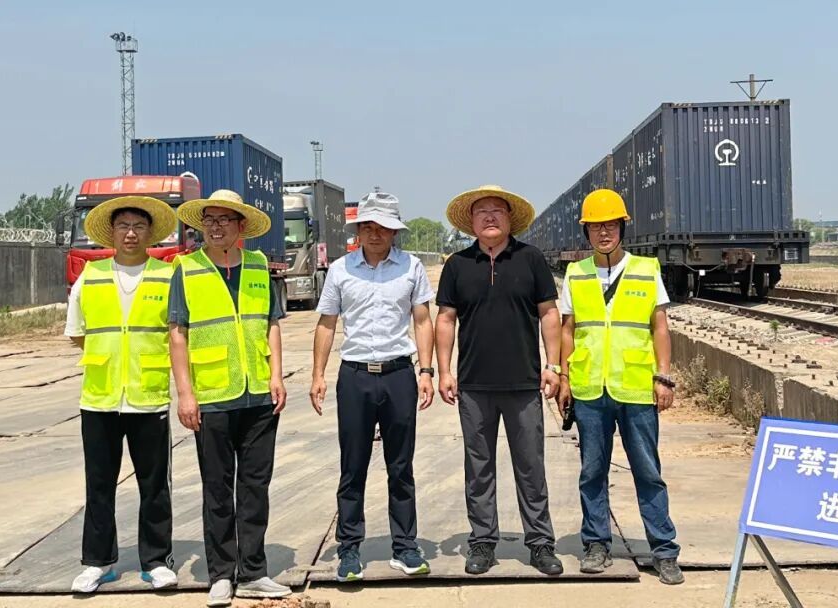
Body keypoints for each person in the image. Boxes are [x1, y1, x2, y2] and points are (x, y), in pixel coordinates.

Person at [167, 190, 291, 606]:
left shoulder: (257, 266)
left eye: (224, 220)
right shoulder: (187, 269)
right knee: (217, 489)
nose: (216, 227)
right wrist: (185, 394)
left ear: (241, 226)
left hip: (258, 396)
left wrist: (276, 375)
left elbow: (272, 323)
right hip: (213, 396)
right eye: (209, 220)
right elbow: (178, 334)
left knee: (255, 487)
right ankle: (221, 573)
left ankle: (253, 570)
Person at [435, 184, 564, 576]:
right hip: (474, 386)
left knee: (531, 467)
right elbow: (445, 319)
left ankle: (540, 543)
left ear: (510, 219)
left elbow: (549, 314)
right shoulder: (457, 265)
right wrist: (444, 371)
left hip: (524, 384)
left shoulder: (531, 259)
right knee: (479, 469)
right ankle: (482, 542)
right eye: (482, 211)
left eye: (497, 210)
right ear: (471, 222)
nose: (490, 217)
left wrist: (553, 365)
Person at [556, 188, 683, 585]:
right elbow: (567, 330)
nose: (604, 232)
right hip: (590, 389)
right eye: (596, 226)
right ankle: (596, 544)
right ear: (586, 232)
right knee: (592, 471)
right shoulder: (576, 274)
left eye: (610, 225)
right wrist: (564, 378)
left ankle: (664, 550)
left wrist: (664, 376)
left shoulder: (646, 269)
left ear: (622, 228)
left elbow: (659, 327)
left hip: (636, 388)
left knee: (648, 471)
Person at [309, 192, 436, 582]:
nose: (375, 233)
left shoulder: (411, 267)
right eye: (367, 226)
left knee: (401, 466)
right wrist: (318, 375)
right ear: (358, 231)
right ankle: (349, 549)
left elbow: (422, 320)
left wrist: (426, 371)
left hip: (399, 375)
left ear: (394, 231)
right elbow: (327, 324)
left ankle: (405, 547)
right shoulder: (341, 270)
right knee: (353, 466)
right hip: (355, 377)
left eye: (382, 227)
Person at [64, 195, 179, 593]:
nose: (131, 233)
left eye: (139, 226)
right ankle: (97, 563)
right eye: (123, 226)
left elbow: (177, 333)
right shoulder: (90, 276)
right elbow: (77, 333)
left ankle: (157, 560)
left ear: (151, 233)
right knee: (98, 484)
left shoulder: (168, 276)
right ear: (111, 233)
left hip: (148, 396)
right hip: (100, 397)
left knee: (155, 484)